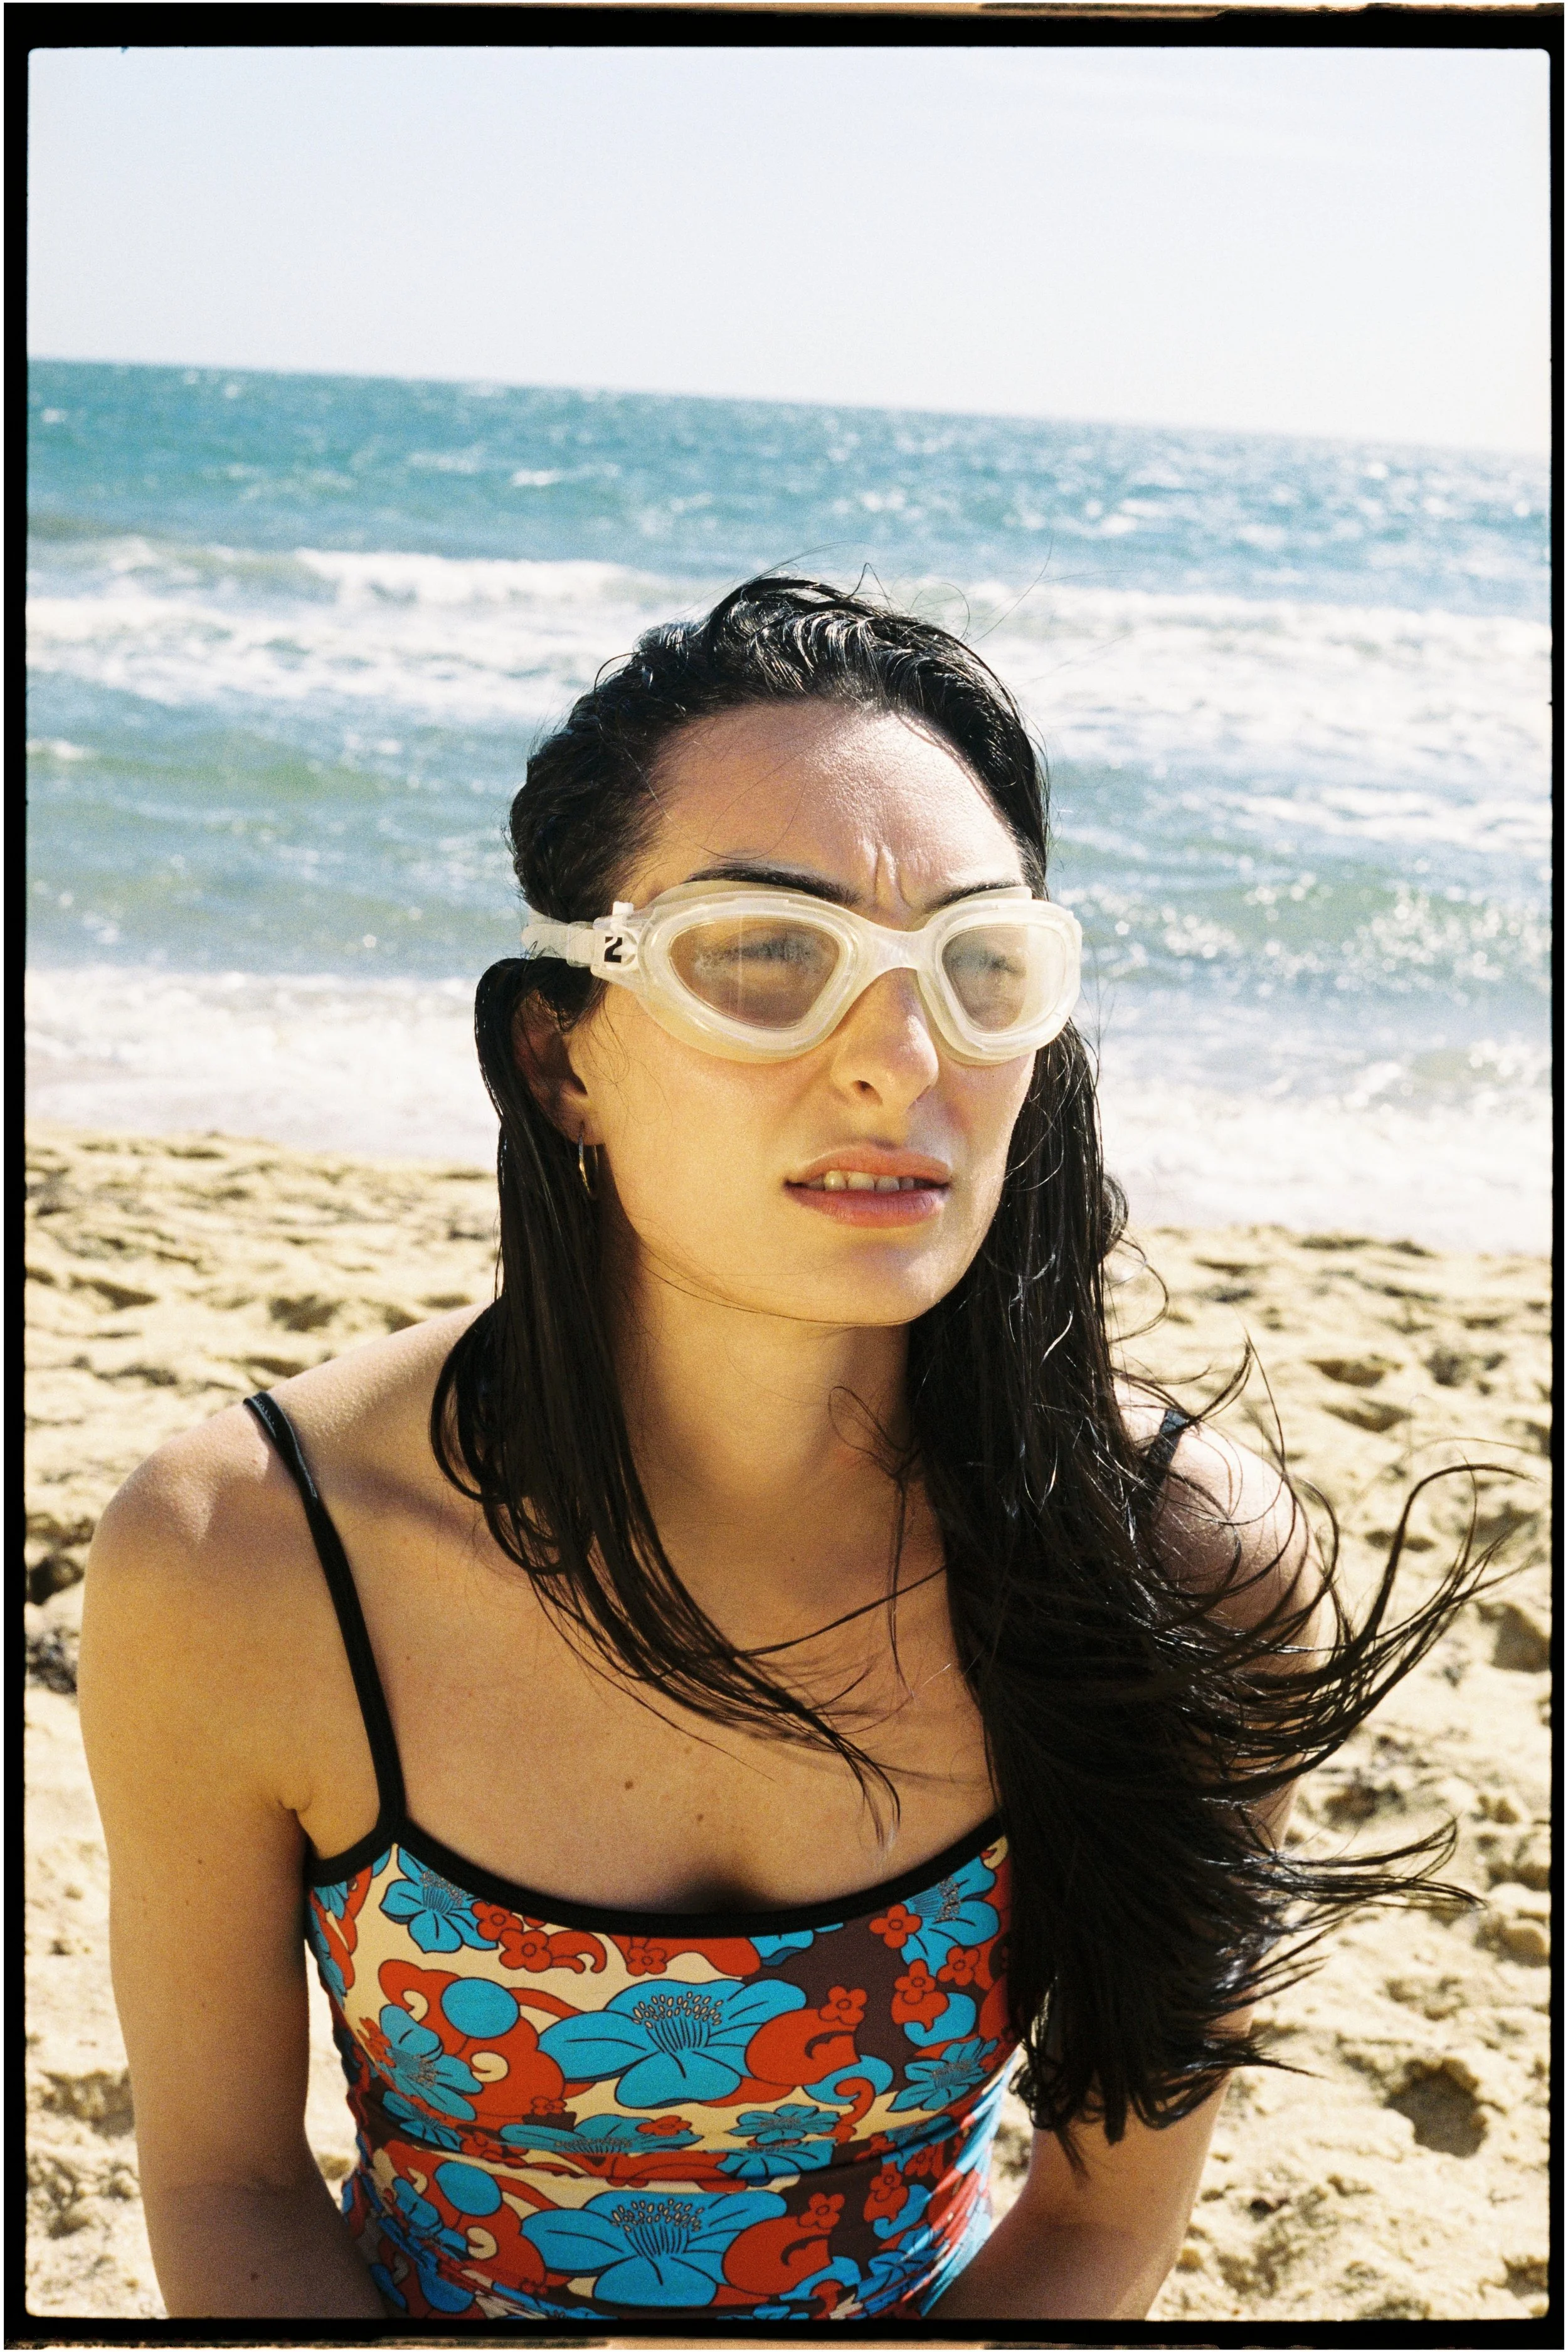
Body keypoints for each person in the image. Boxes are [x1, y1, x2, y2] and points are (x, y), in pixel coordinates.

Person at [79, 577, 1480, 2325]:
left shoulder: (1180, 1564)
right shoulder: (252, 1559)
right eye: (763, 956)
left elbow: (1098, 2222)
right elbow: (226, 2186)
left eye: (977, 966)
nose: (900, 1061)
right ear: (557, 1051)